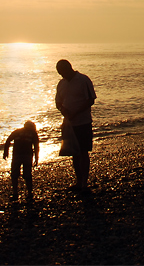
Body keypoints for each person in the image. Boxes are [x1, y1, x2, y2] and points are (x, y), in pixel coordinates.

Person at [54, 59, 96, 191]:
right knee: (73, 153)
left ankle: (84, 182)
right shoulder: (61, 83)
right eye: (59, 73)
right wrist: (63, 110)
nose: (61, 75)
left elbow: (91, 99)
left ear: (69, 68)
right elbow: (58, 102)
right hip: (68, 123)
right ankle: (78, 181)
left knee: (83, 151)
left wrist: (76, 112)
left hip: (83, 121)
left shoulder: (84, 80)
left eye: (62, 72)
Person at [3, 120, 40, 201]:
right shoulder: (33, 134)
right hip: (27, 156)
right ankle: (30, 193)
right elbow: (36, 146)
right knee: (27, 175)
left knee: (15, 174)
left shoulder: (17, 132)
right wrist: (36, 158)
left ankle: (15, 193)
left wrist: (6, 152)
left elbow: (8, 140)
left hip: (17, 155)